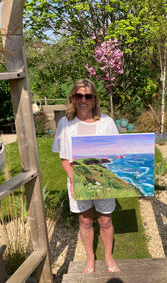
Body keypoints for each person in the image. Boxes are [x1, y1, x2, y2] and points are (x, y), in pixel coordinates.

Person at [52, 78, 120, 274]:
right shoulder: (65, 123)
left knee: (105, 220)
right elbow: (64, 158)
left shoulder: (106, 122)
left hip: (104, 178)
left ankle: (108, 257)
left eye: (88, 96)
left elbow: (117, 152)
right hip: (78, 178)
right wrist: (74, 181)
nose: (83, 99)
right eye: (79, 95)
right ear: (73, 97)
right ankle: (90, 258)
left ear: (94, 98)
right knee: (85, 221)